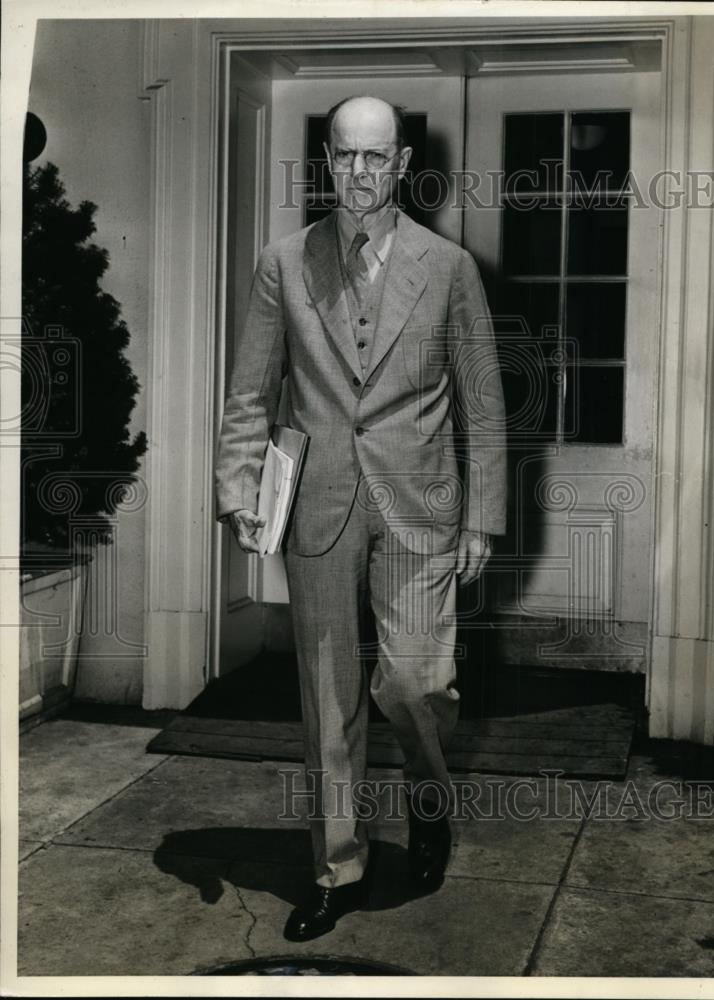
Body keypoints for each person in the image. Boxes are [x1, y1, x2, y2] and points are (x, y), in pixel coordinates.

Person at [214, 95, 506, 941]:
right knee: (327, 698)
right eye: (346, 157)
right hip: (318, 506)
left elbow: (483, 403)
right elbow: (249, 391)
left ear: (405, 165)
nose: (360, 174)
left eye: (377, 158)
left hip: (422, 509)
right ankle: (336, 867)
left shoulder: (449, 268)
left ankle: (427, 792)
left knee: (417, 683)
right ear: (327, 163)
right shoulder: (284, 262)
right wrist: (240, 487)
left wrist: (482, 517)